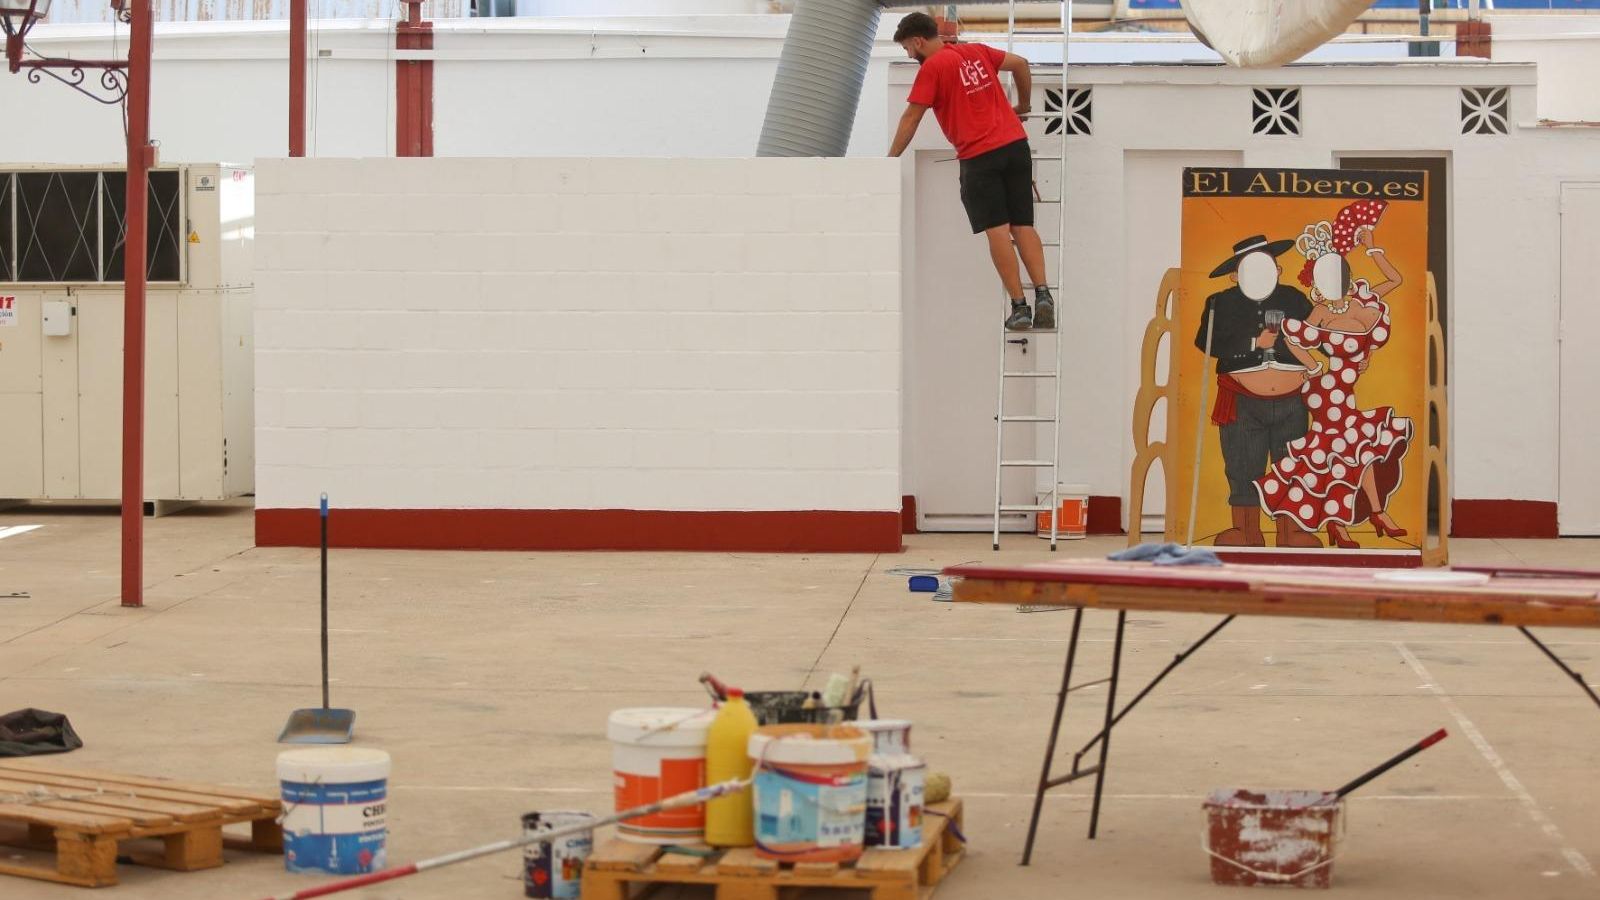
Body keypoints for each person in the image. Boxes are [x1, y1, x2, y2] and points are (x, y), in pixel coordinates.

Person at [888, 12, 1053, 332]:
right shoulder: (976, 51)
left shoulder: (932, 69)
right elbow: (1020, 64)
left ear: (918, 41)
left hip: (980, 157)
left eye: (908, 48)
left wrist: (890, 158)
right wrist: (1023, 106)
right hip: (1016, 147)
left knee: (998, 231)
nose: (909, 55)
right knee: (1023, 225)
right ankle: (1044, 294)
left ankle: (1020, 307)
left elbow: (911, 118)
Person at [1257, 216, 1412, 549]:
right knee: (1344, 451)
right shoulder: (1320, 314)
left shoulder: (1362, 299)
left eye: (1337, 271)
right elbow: (1293, 336)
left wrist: (1372, 248)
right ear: (1317, 281)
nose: (1334, 280)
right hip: (1327, 390)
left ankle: (1365, 515)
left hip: (1347, 387)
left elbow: (1395, 279)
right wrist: (1314, 367)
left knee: (1356, 450)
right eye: (1325, 275)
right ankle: (1359, 518)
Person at [1196, 235, 1320, 549]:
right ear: (1235, 274)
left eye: (1266, 265)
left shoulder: (1294, 298)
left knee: (1291, 465)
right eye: (1249, 267)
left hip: (1292, 400)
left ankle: (1290, 532)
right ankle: (1246, 531)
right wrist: (1254, 344)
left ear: (1278, 269)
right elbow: (1207, 343)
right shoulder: (1220, 303)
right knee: (1242, 465)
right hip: (1241, 399)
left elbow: (1318, 336)